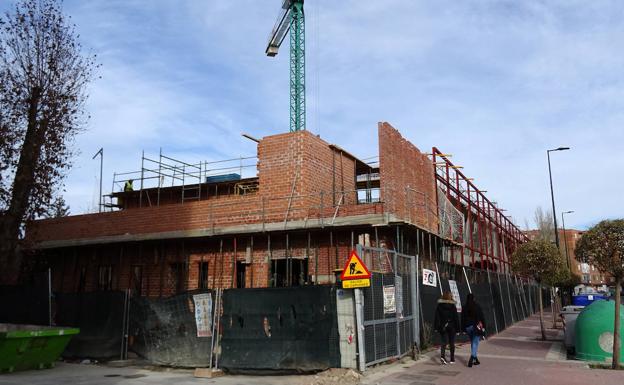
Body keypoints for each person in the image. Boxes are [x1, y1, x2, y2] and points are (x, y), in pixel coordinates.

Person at [434, 291, 459, 365]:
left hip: (443, 326)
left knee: (443, 342)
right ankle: (452, 359)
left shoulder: (439, 306)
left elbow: (437, 317)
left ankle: (442, 356)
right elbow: (456, 318)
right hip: (452, 326)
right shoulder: (453, 306)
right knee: (452, 342)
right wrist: (458, 329)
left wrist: (436, 327)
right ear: (450, 297)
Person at [462, 293, 486, 367]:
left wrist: (463, 329)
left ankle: (476, 359)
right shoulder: (477, 306)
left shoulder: (464, 307)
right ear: (474, 298)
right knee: (475, 343)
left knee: (473, 342)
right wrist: (484, 326)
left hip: (468, 327)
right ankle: (472, 357)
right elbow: (482, 317)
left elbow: (462, 319)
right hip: (476, 327)